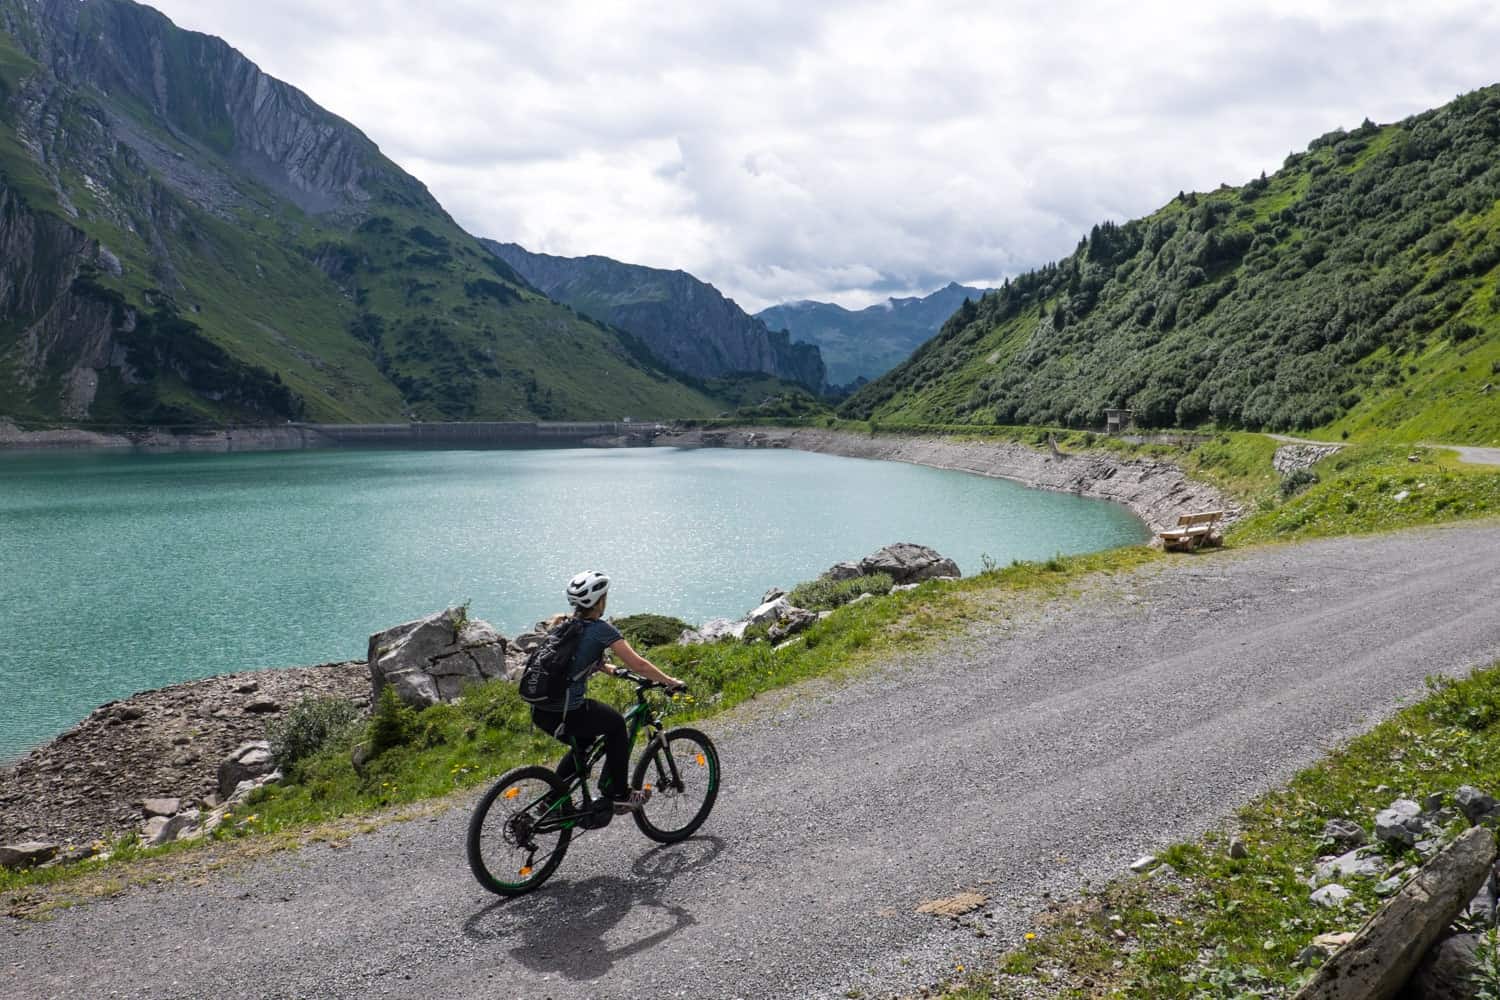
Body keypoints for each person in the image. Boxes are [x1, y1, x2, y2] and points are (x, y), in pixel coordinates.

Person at [530, 570, 685, 814]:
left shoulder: (565, 625)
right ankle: (620, 794)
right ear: (599, 601)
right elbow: (639, 665)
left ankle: (552, 802)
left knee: (583, 745)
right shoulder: (601, 630)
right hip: (566, 711)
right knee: (615, 724)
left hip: (541, 711)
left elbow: (581, 662)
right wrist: (669, 681)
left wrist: (612, 670)